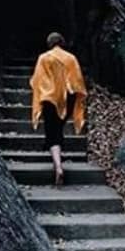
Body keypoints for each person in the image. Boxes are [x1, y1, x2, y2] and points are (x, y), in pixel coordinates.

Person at [30, 32, 88, 186]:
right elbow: (78, 83)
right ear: (62, 43)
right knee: (58, 129)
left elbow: (37, 80)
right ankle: (58, 163)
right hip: (67, 100)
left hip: (50, 100)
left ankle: (58, 167)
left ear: (49, 43)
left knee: (52, 133)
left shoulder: (43, 58)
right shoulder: (71, 58)